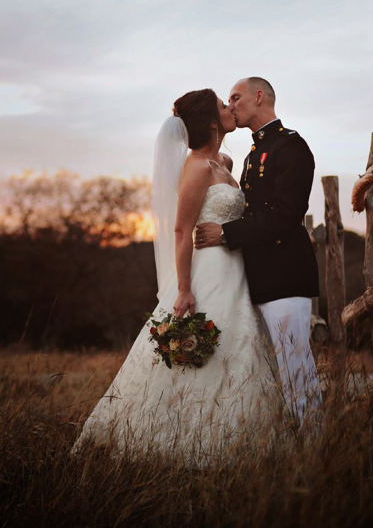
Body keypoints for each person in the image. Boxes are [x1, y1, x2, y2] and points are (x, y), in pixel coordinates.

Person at [72, 88, 283, 464]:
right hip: (207, 272)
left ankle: (238, 441)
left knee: (238, 348)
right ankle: (173, 443)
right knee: (205, 349)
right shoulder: (197, 167)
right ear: (212, 121)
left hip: (235, 271)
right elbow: (183, 230)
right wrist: (185, 288)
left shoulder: (224, 163)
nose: (230, 108)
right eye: (223, 105)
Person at [194, 77, 322, 426]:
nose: (231, 105)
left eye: (236, 97)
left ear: (259, 97)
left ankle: (315, 443)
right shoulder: (252, 154)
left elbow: (285, 216)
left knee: (295, 364)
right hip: (255, 276)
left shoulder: (290, 146)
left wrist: (226, 233)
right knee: (269, 367)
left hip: (285, 273)